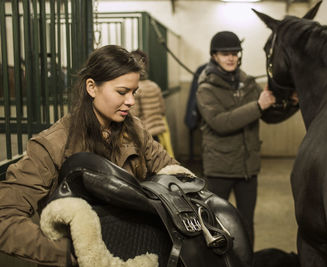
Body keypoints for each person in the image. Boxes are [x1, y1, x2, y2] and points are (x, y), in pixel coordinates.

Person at [0, 45, 181, 266]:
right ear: (92, 87)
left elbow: (172, 172)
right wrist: (71, 253)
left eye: (134, 92)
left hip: (137, 253)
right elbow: (4, 218)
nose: (131, 101)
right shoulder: (52, 144)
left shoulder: (135, 130)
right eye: (122, 92)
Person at [196, 31, 277, 248]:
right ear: (215, 56)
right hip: (219, 169)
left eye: (235, 53)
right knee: (215, 223)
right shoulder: (206, 88)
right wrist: (258, 106)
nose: (231, 57)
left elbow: (268, 114)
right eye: (225, 53)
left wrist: (292, 101)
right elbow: (221, 123)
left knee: (246, 224)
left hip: (247, 170)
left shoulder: (248, 84)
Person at [130, 49, 174, 157]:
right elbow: (162, 110)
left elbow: (134, 114)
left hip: (145, 134)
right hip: (158, 133)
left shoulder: (136, 89)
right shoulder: (154, 86)